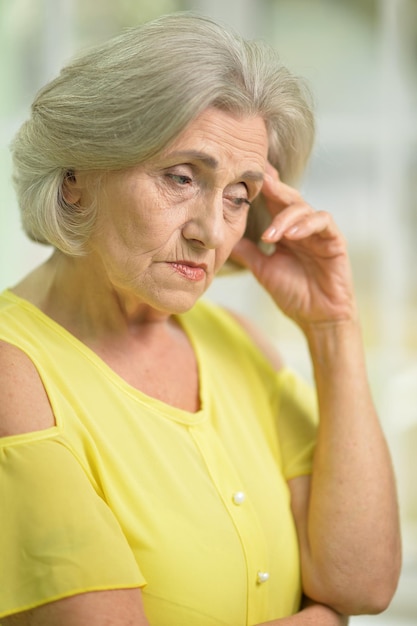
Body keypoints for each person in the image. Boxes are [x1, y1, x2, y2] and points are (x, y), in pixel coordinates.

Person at [0, 12, 401, 626]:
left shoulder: (238, 345)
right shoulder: (12, 370)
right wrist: (321, 620)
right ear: (76, 179)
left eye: (239, 195)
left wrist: (333, 330)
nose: (212, 231)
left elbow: (361, 583)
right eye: (181, 177)